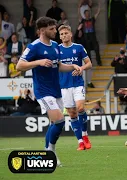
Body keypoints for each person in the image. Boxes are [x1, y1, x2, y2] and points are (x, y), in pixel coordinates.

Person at [16, 16, 82, 166]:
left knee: (56, 123)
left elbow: (58, 65)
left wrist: (73, 66)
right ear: (42, 30)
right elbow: (20, 65)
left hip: (56, 89)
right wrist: (38, 62)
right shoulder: (34, 46)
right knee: (59, 120)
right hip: (43, 90)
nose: (55, 31)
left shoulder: (54, 46)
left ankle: (48, 152)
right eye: (52, 29)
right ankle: (49, 150)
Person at [58, 25, 92, 151]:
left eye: (66, 33)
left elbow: (89, 63)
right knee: (72, 114)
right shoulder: (57, 49)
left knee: (80, 107)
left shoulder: (78, 48)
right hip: (64, 85)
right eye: (61, 34)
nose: (63, 36)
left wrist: (81, 68)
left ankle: (85, 135)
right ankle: (80, 142)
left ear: (71, 34)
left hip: (77, 83)